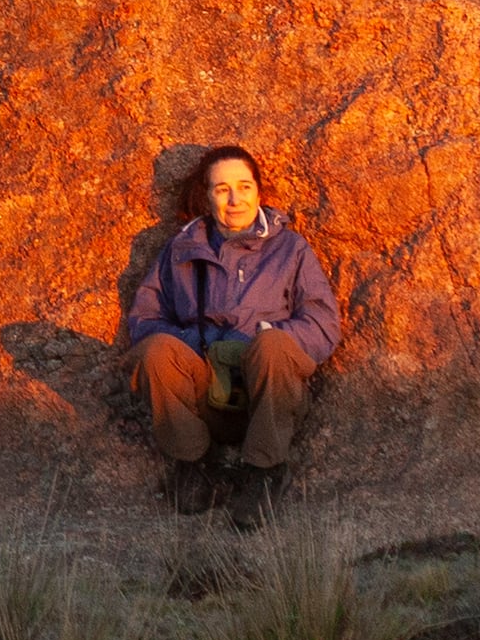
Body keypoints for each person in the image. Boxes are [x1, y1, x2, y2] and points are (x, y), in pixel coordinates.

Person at [122, 145, 342, 514]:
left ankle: (263, 470)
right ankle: (195, 463)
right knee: (155, 351)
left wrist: (263, 339)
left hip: (268, 394)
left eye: (244, 186)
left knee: (273, 345)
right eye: (222, 189)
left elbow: (323, 323)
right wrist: (198, 345)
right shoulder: (181, 250)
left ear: (259, 191)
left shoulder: (291, 248)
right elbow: (145, 317)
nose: (235, 199)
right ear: (206, 196)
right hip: (202, 393)